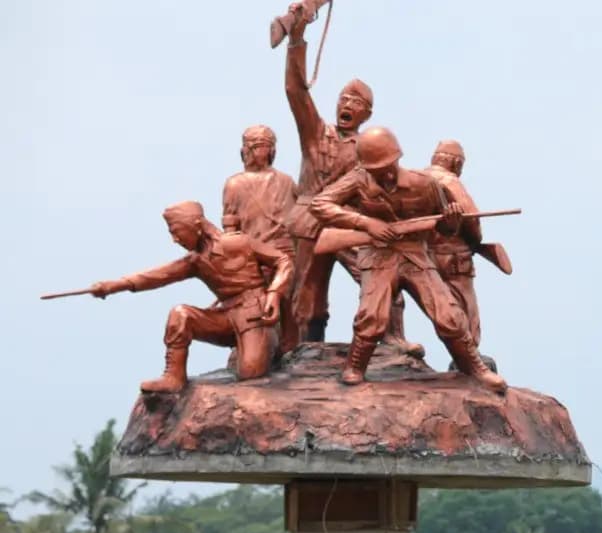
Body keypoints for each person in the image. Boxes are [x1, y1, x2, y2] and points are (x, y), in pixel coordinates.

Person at [309, 127, 505, 392]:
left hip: (415, 255)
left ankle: (475, 368)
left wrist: (451, 221)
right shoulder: (358, 180)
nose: (385, 174)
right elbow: (319, 204)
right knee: (371, 315)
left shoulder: (425, 184)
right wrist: (366, 223)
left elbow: (443, 229)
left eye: (388, 166)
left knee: (447, 313)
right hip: (378, 254)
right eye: (377, 170)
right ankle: (354, 367)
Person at [278, 1, 416, 353]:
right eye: (344, 98)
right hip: (310, 220)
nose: (347, 104)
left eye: (356, 101)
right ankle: (304, 349)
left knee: (381, 271)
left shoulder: (370, 148)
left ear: (366, 113)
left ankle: (391, 338)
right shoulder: (315, 133)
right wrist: (297, 40)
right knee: (306, 289)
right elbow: (296, 91)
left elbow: (388, 185)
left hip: (351, 223)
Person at [88, 202, 292, 393]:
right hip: (225, 318)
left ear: (196, 226)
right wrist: (112, 286)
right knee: (181, 314)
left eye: (176, 232)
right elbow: (156, 276)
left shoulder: (238, 243)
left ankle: (267, 348)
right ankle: (174, 377)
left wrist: (274, 293)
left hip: (255, 317)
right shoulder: (195, 261)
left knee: (250, 375)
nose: (175, 240)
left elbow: (283, 261)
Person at [221, 125, 297, 347]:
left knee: (288, 306)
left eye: (264, 146)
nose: (261, 152)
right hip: (253, 257)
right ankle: (261, 350)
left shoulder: (286, 181)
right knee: (260, 309)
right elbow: (230, 227)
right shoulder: (234, 184)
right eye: (257, 147)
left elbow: (298, 219)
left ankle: (289, 349)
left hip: (282, 254)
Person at [424, 139, 484, 348]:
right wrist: (476, 240)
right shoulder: (450, 181)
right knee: (465, 307)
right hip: (454, 257)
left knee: (438, 307)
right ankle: (470, 355)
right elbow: (472, 220)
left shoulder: (417, 179)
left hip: (423, 256)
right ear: (456, 164)